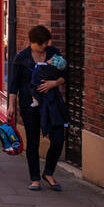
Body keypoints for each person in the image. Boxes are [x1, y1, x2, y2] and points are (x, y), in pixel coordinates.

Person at [7, 25, 67, 192]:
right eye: (42, 45)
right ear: (34, 43)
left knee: (58, 139)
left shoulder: (54, 53)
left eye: (46, 44)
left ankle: (48, 172)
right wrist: (11, 105)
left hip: (51, 103)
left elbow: (65, 74)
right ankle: (35, 178)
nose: (45, 47)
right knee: (32, 141)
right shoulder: (22, 58)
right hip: (29, 104)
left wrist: (54, 83)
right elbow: (14, 84)